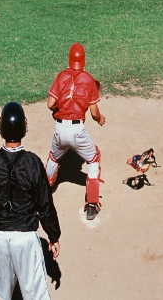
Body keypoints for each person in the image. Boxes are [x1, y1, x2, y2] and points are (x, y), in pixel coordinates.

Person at [0, 102, 61, 300]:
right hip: (25, 239)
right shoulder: (32, 162)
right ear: (24, 127)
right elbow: (45, 204)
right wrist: (53, 235)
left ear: (1, 128)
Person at [44, 43, 106, 220]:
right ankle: (92, 205)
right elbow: (94, 113)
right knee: (94, 159)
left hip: (59, 129)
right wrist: (100, 119)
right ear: (84, 61)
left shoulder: (61, 75)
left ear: (69, 59)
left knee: (54, 158)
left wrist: (58, 108)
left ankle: (41, 191)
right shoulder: (88, 79)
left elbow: (50, 104)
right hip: (78, 130)